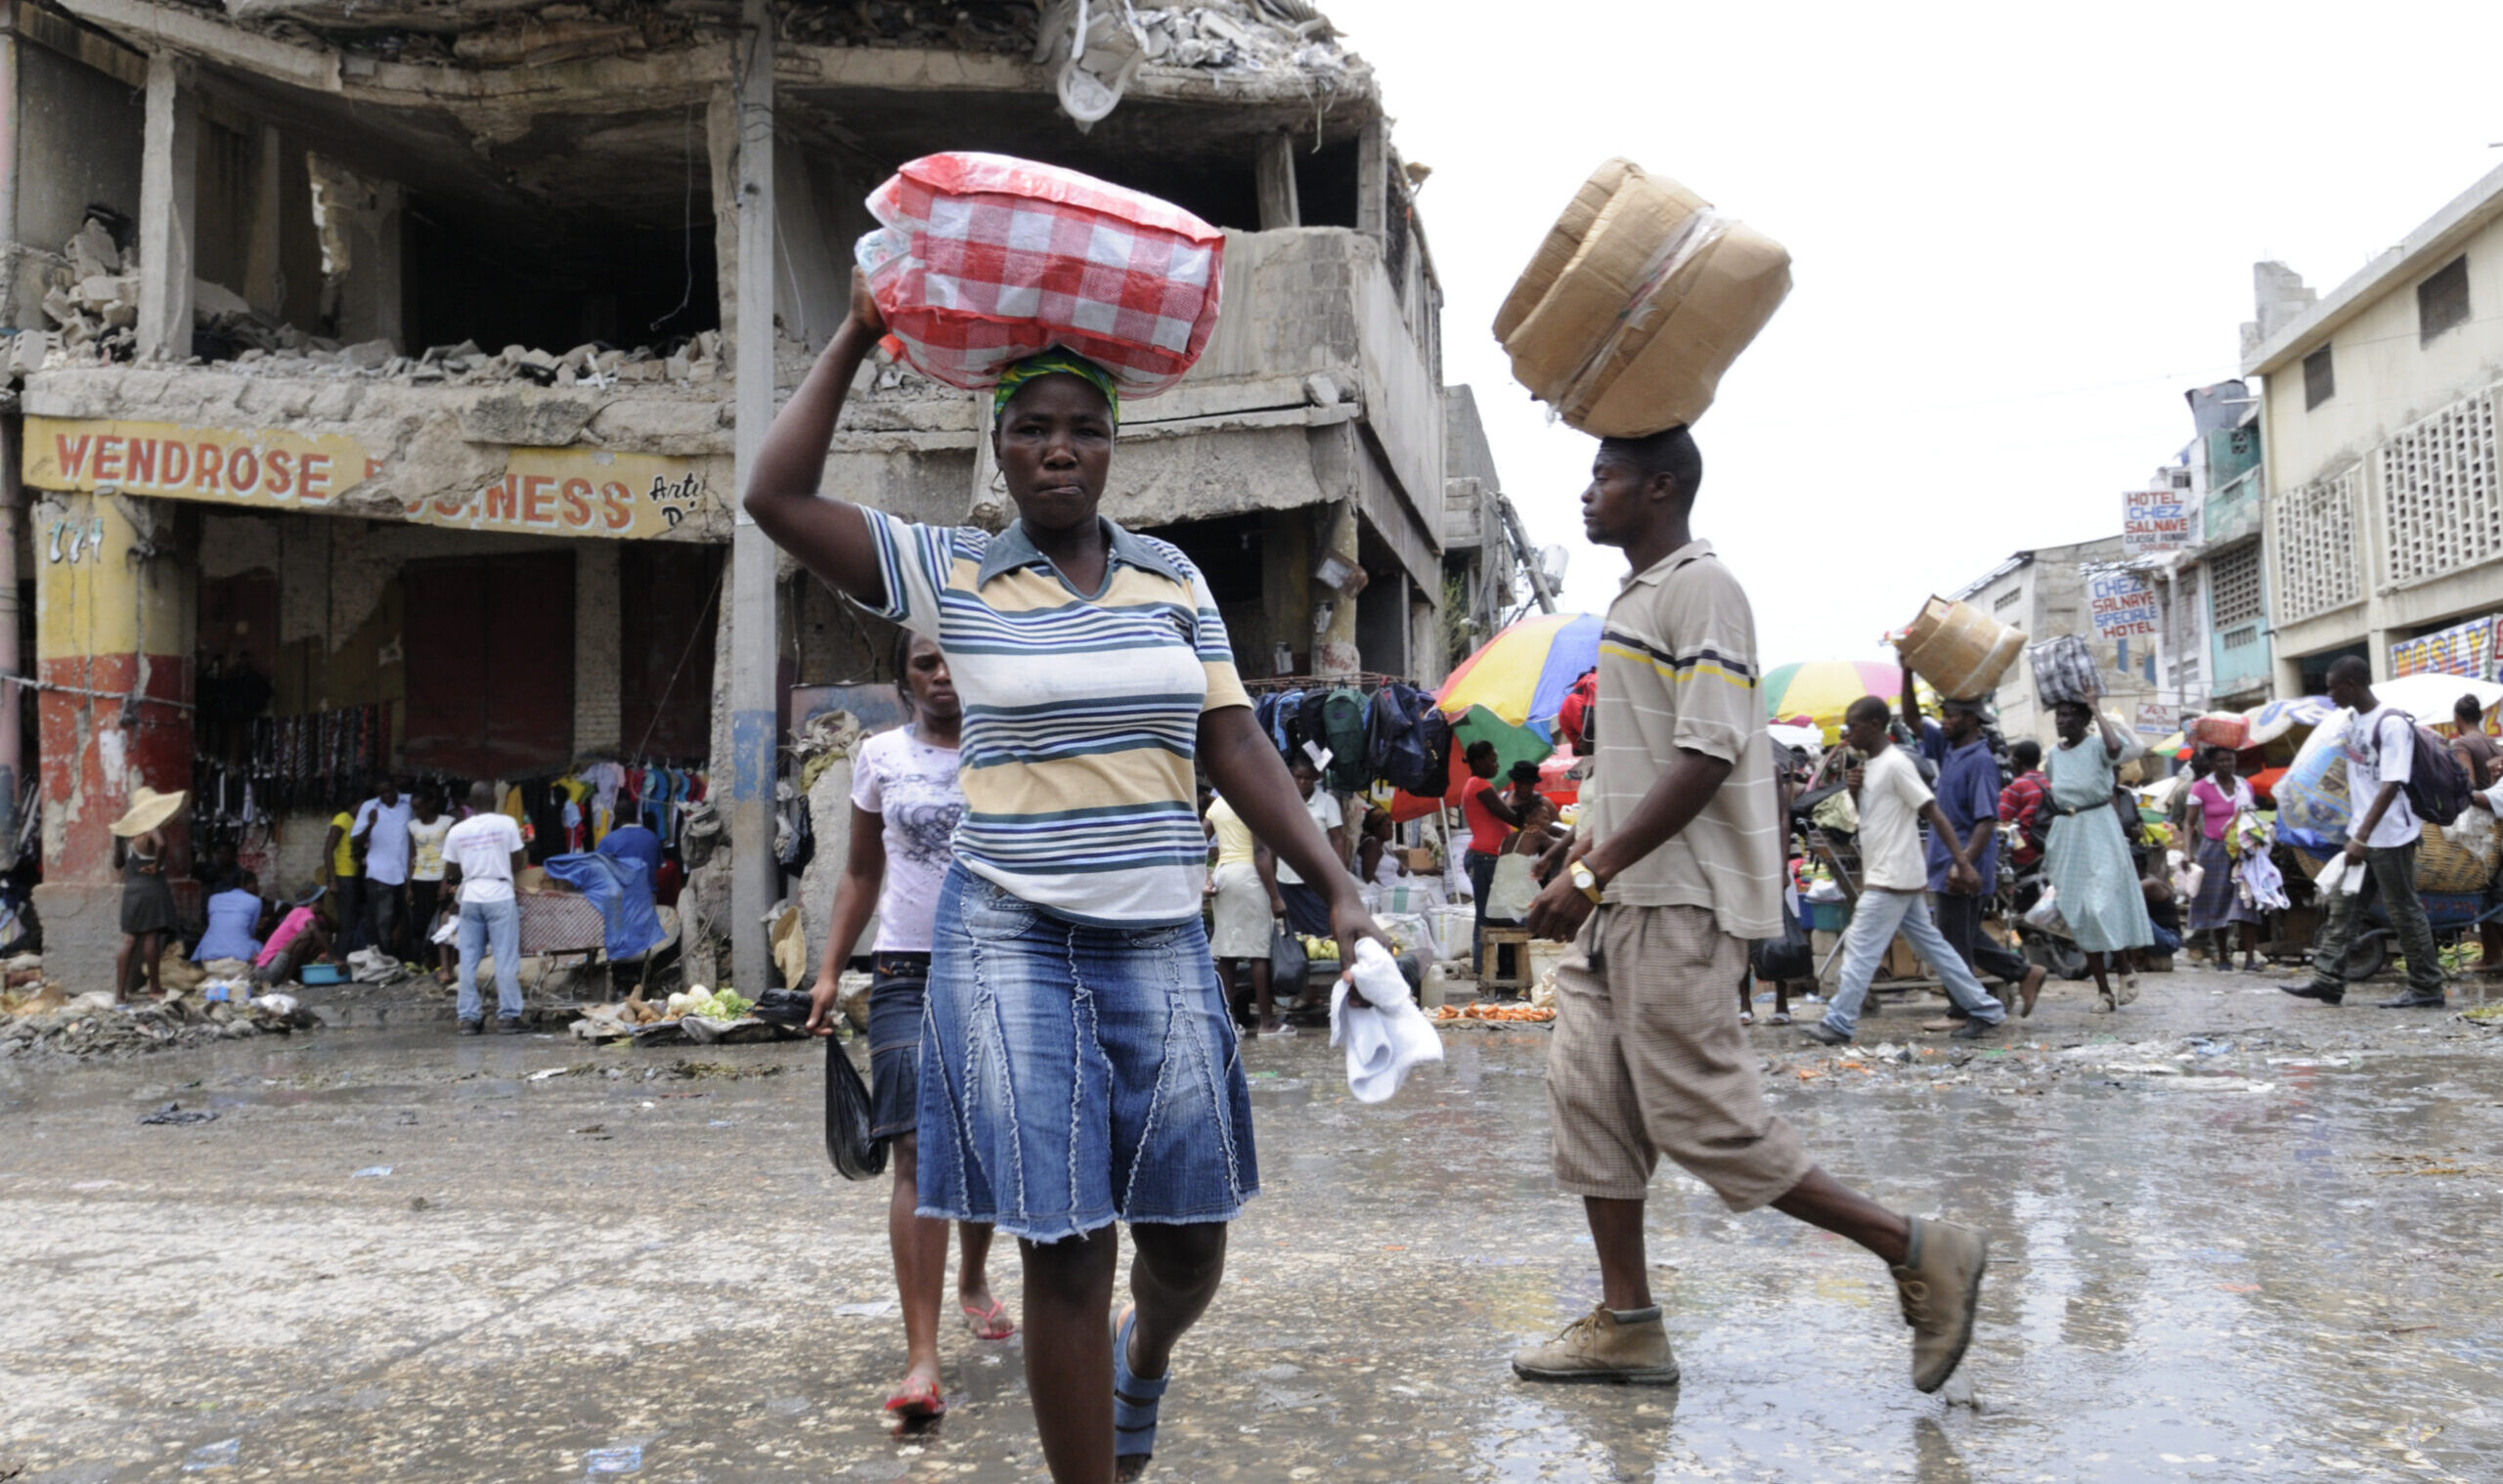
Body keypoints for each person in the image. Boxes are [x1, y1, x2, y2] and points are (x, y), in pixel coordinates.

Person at [743, 270, 1385, 1484]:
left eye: (1082, 428)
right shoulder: (951, 574)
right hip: (1012, 941)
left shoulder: (1173, 582)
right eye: (1031, 428)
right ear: (998, 448)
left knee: (1190, 1240)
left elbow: (1233, 740)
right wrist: (860, 332)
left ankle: (1144, 1362)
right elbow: (773, 494)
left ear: (1111, 449)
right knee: (1068, 1243)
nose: (1057, 450)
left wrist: (1333, 886)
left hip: (1159, 936)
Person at [1514, 425, 1988, 1397]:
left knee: (1703, 1121)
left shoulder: (1704, 587)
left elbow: (1709, 751)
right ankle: (1627, 1324)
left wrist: (1596, 872)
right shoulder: (1637, 597)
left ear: (1658, 488)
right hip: (1622, 902)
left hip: (1677, 905)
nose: (1586, 492)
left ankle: (1917, 1247)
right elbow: (1644, 757)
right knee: (1590, 1105)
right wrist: (1581, 845)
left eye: (1603, 476)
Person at [808, 629, 1008, 1420]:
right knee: (916, 1146)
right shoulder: (879, 757)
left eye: (956, 658)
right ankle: (921, 1359)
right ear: (905, 679)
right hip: (903, 971)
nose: (943, 673)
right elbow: (862, 871)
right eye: (926, 661)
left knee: (989, 1136)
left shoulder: (1009, 751)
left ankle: (973, 1277)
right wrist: (828, 971)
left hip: (1001, 965)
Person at [1798, 697, 2008, 1045]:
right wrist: (1853, 793)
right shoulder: (1873, 767)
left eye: (1854, 726)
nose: (1848, 735)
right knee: (1934, 948)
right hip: (1894, 871)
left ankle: (1838, 1022)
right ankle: (1986, 1008)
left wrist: (1962, 861)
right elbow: (1874, 820)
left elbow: (1933, 812)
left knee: (1861, 947)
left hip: (1892, 875)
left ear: (1876, 726)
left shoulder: (1896, 764)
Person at [2281, 656, 2447, 1009]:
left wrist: (2362, 837)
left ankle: (2427, 987)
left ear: (2351, 685)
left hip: (2390, 835)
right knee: (2344, 907)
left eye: (2332, 688)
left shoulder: (2391, 724)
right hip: (2361, 832)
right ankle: (2328, 979)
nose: (2330, 695)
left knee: (2404, 910)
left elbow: (2391, 783)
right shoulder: (2354, 720)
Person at [1904, 682, 2047, 1019]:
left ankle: (1965, 1010)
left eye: (1950, 716)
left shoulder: (1980, 761)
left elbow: (1986, 820)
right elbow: (1912, 720)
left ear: (1971, 720)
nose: (1944, 722)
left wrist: (1962, 863)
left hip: (1964, 867)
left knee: (1955, 943)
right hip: (1949, 863)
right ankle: (2024, 973)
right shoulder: (1949, 749)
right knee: (1962, 935)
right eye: (1943, 715)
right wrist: (1907, 670)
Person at [2044, 695, 2156, 1011]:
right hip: (2068, 831)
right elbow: (2057, 787)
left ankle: (2124, 967)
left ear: (2084, 720)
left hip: (2100, 826)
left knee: (2098, 906)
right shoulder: (2053, 754)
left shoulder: (2097, 746)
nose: (2062, 721)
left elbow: (2114, 750)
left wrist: (2095, 708)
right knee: (2077, 911)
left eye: (2069, 716)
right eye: (2059, 715)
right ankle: (2103, 991)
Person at [445, 781, 528, 1033]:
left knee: (468, 959)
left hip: (471, 895)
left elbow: (451, 870)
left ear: (469, 804)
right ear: (495, 800)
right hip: (500, 894)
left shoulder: (457, 830)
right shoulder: (507, 824)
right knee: (504, 958)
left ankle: (468, 1019)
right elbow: (517, 861)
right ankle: (508, 1017)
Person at [1206, 790, 1288, 1035]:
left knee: (1227, 952)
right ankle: (1267, 1022)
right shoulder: (1250, 800)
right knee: (1258, 953)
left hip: (1224, 874)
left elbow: (1198, 838)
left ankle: (1229, 1022)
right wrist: (1275, 897)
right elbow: (1261, 851)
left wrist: (1204, 874)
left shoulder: (1217, 805)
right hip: (1250, 876)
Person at [2183, 747, 2261, 971]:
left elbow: (2251, 817)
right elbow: (2189, 823)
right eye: (2221, 760)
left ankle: (2249, 959)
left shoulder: (2244, 786)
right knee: (2216, 902)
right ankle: (2223, 957)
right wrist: (2188, 852)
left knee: (2247, 900)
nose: (2227, 764)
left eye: (2230, 759)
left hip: (2242, 849)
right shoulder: (2200, 787)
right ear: (2212, 764)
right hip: (2213, 849)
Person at [110, 785, 187, 1002]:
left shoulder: (124, 835)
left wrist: (118, 842)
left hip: (131, 889)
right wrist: (156, 865)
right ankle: (154, 987)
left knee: (129, 940)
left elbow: (117, 864)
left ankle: (119, 994)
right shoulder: (151, 827)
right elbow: (161, 844)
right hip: (151, 887)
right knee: (151, 936)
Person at [2447, 694, 2503, 982]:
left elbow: (2469, 788)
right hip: (2495, 823)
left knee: (2491, 893)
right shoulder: (2492, 743)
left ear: (2457, 718)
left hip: (2483, 828)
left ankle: (2492, 957)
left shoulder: (2462, 744)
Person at [1459, 739, 1525, 971]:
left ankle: (1493, 968)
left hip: (1486, 857)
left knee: (1489, 914)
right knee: (1488, 916)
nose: (1497, 765)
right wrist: (1529, 809)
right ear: (1479, 762)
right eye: (1493, 760)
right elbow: (1510, 817)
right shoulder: (1480, 786)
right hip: (1485, 857)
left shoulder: (1476, 784)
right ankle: (1483, 968)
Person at [1271, 756, 1348, 939]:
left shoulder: (1327, 802)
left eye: (1307, 778)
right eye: (1298, 777)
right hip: (1286, 879)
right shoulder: (1281, 801)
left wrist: (1340, 873)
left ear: (1316, 778)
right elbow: (1273, 842)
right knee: (1295, 935)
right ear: (1291, 776)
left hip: (1317, 877)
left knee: (1323, 930)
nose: (1302, 782)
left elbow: (1337, 839)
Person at [352, 779, 414, 959]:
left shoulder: (409, 802)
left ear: (395, 788)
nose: (387, 795)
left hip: (407, 872)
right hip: (381, 872)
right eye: (382, 792)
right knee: (382, 920)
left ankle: (407, 958)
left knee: (408, 918)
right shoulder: (369, 807)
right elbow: (356, 839)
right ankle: (383, 958)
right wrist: (370, 824)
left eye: (389, 791)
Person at [407, 788, 454, 975]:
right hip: (420, 879)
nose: (417, 812)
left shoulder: (447, 823)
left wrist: (445, 882)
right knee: (420, 924)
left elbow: (451, 855)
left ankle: (442, 964)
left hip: (441, 877)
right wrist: (409, 886)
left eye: (419, 808)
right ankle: (424, 962)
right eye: (414, 809)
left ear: (430, 804)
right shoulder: (412, 826)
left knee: (442, 923)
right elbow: (412, 856)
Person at [251, 883, 335, 985]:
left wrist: (322, 913)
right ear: (315, 901)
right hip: (267, 971)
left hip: (266, 969)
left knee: (323, 935)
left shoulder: (306, 913)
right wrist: (335, 959)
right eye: (321, 900)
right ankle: (287, 978)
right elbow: (313, 930)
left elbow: (336, 928)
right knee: (308, 936)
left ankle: (292, 976)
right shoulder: (303, 912)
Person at [320, 792, 364, 952]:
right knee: (345, 923)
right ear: (357, 803)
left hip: (351, 875)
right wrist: (333, 880)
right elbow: (328, 850)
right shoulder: (342, 818)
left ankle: (342, 955)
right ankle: (341, 957)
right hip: (342, 876)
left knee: (349, 921)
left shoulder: (355, 821)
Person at [193, 868, 266, 966]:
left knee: (209, 935)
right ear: (249, 884)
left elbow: (215, 925)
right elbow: (250, 931)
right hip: (239, 955)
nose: (258, 888)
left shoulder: (214, 898)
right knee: (259, 948)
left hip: (208, 954)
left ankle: (196, 961)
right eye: (256, 884)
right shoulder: (255, 901)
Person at [1998, 740, 2049, 872]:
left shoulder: (2016, 786)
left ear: (2016, 762)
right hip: (2051, 846)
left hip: (2025, 854)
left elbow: (2002, 822)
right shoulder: (2049, 781)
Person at [597, 818, 665, 900]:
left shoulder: (608, 840)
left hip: (622, 898)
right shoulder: (652, 837)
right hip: (648, 896)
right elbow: (658, 866)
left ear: (617, 816)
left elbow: (598, 871)